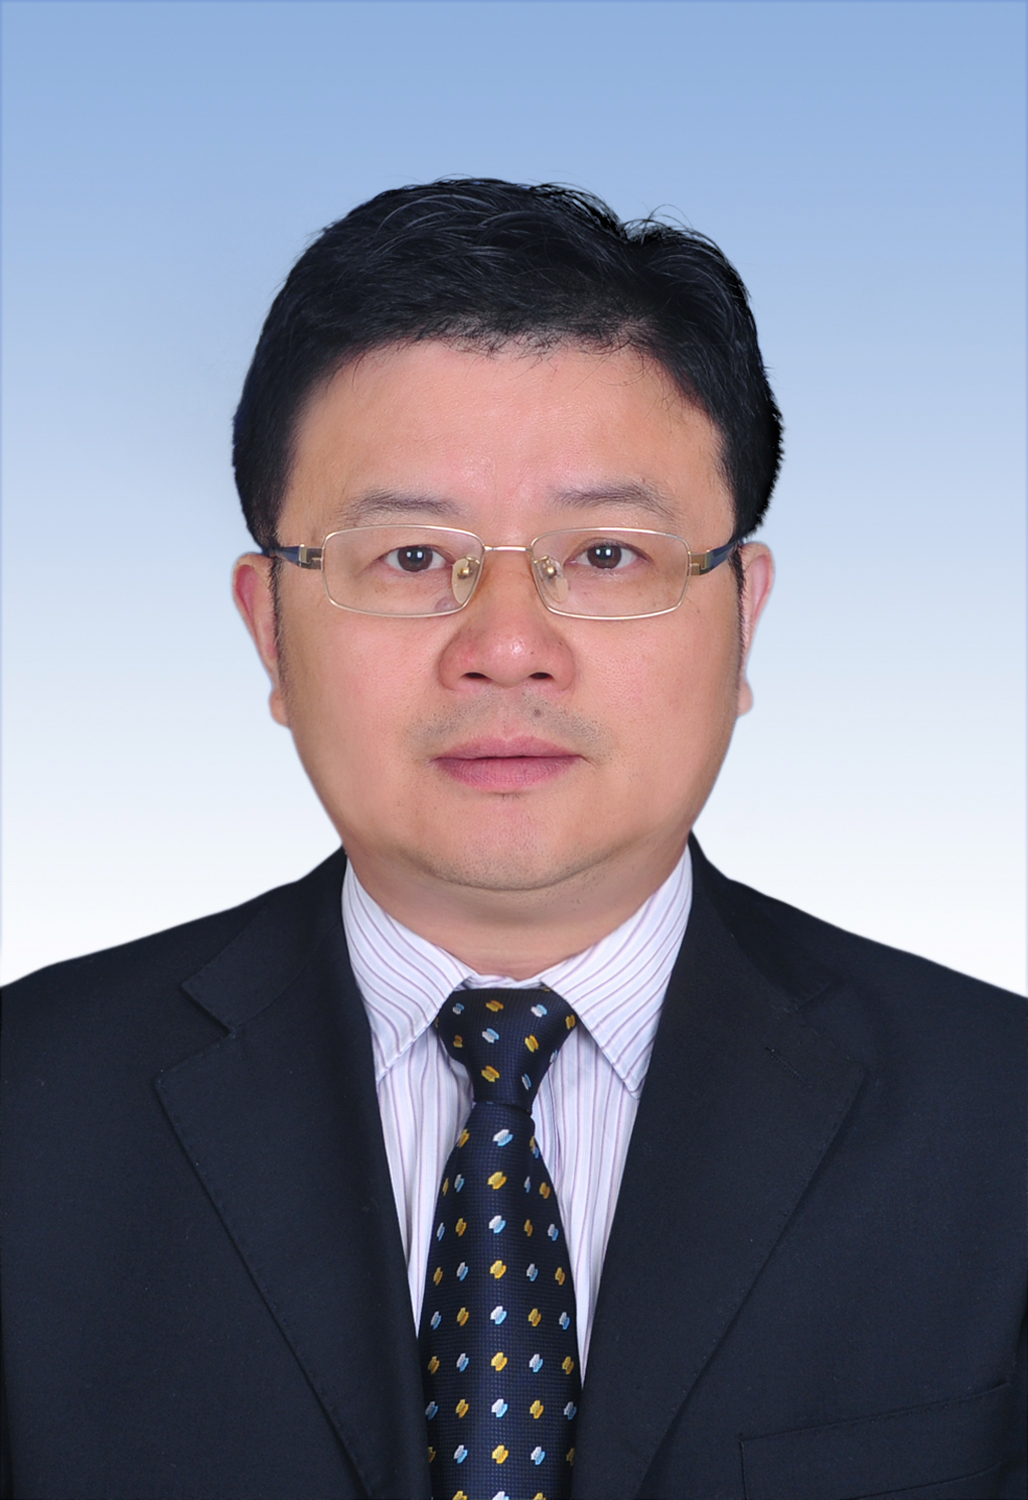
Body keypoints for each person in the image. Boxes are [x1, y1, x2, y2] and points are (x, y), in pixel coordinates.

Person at [1, 179, 1023, 1500]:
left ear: (743, 618)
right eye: (412, 558)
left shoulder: (997, 1121)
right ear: (270, 629)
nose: (506, 648)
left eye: (605, 556)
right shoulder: (29, 1114)